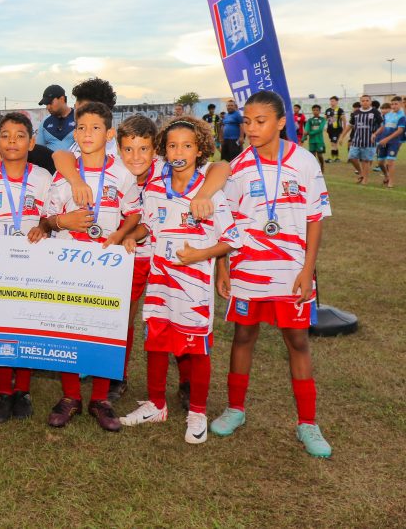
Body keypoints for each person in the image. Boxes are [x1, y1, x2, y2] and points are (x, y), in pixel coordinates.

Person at [210, 90, 333, 458]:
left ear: (281, 122)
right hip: (249, 271)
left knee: (297, 342)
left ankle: (308, 423)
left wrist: (307, 271)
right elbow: (225, 222)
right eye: (246, 121)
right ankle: (235, 409)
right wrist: (223, 265)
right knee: (243, 336)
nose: (251, 128)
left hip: (291, 273)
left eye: (260, 121)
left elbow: (314, 220)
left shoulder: (306, 162)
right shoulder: (236, 167)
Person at [119, 117, 241, 444]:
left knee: (196, 349)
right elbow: (148, 224)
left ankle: (197, 411)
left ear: (199, 149)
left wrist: (200, 256)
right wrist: (134, 237)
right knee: (156, 342)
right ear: (164, 149)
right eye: (172, 145)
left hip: (194, 287)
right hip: (160, 282)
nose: (179, 151)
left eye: (187, 145)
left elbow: (231, 239)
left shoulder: (209, 191)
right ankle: (156, 405)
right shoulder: (156, 187)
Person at [44, 101, 140, 432]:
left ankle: (101, 398)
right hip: (70, 265)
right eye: (81, 127)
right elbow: (47, 220)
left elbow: (135, 213)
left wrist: (123, 234)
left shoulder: (123, 173)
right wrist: (62, 221)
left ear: (109, 134)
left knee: (105, 328)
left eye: (95, 128)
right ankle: (71, 396)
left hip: (107, 266)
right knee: (68, 326)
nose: (87, 134)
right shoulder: (63, 176)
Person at [0, 112, 53, 423]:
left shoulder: (44, 178)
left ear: (32, 142)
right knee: (1, 325)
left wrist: (44, 228)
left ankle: (24, 390)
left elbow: (51, 218)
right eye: (5, 135)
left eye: (20, 136)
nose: (12, 141)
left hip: (33, 264)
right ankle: (5, 391)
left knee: (27, 323)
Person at [106, 115, 158, 403]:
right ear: (118, 148)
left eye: (144, 149)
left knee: (170, 317)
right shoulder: (112, 172)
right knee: (123, 316)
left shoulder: (168, 170)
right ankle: (118, 375)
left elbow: (219, 168)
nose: (136, 157)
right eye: (128, 149)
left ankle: (186, 383)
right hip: (129, 256)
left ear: (155, 150)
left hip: (165, 257)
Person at [344, 94, 383, 184]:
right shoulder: (356, 113)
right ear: (360, 102)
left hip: (369, 142)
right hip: (357, 140)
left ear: (370, 102)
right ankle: (361, 173)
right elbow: (350, 125)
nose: (365, 102)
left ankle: (365, 179)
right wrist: (342, 136)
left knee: (366, 161)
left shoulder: (375, 112)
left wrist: (375, 134)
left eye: (367, 100)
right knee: (352, 157)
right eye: (363, 101)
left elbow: (382, 126)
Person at [375, 98, 405, 188]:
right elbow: (383, 127)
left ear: (400, 104)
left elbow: (400, 130)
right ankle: (386, 176)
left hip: (394, 142)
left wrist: (387, 139)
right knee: (380, 163)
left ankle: (391, 182)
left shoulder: (402, 116)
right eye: (392, 104)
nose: (394, 106)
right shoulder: (388, 115)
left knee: (390, 162)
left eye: (396, 104)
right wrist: (375, 134)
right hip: (384, 141)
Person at [36, 84, 76, 152]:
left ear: (62, 99)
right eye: (46, 104)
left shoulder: (79, 118)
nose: (48, 107)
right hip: (50, 162)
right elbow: (39, 150)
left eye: (50, 103)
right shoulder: (44, 123)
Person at [303, 105, 327, 172]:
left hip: (319, 140)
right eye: (314, 110)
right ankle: (314, 169)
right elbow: (306, 129)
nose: (315, 111)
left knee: (319, 155)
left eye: (317, 110)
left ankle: (322, 164)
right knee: (312, 156)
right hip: (312, 141)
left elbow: (320, 129)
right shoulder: (310, 120)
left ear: (320, 111)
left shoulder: (322, 119)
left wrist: (309, 133)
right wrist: (304, 137)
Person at [324, 96, 345, 162]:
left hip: (337, 129)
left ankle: (334, 158)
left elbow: (344, 120)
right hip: (330, 129)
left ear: (336, 102)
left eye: (333, 101)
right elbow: (324, 119)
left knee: (334, 143)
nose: (331, 102)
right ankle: (335, 158)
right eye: (331, 101)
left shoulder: (340, 110)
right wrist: (323, 127)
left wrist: (344, 129)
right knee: (332, 143)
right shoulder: (328, 110)